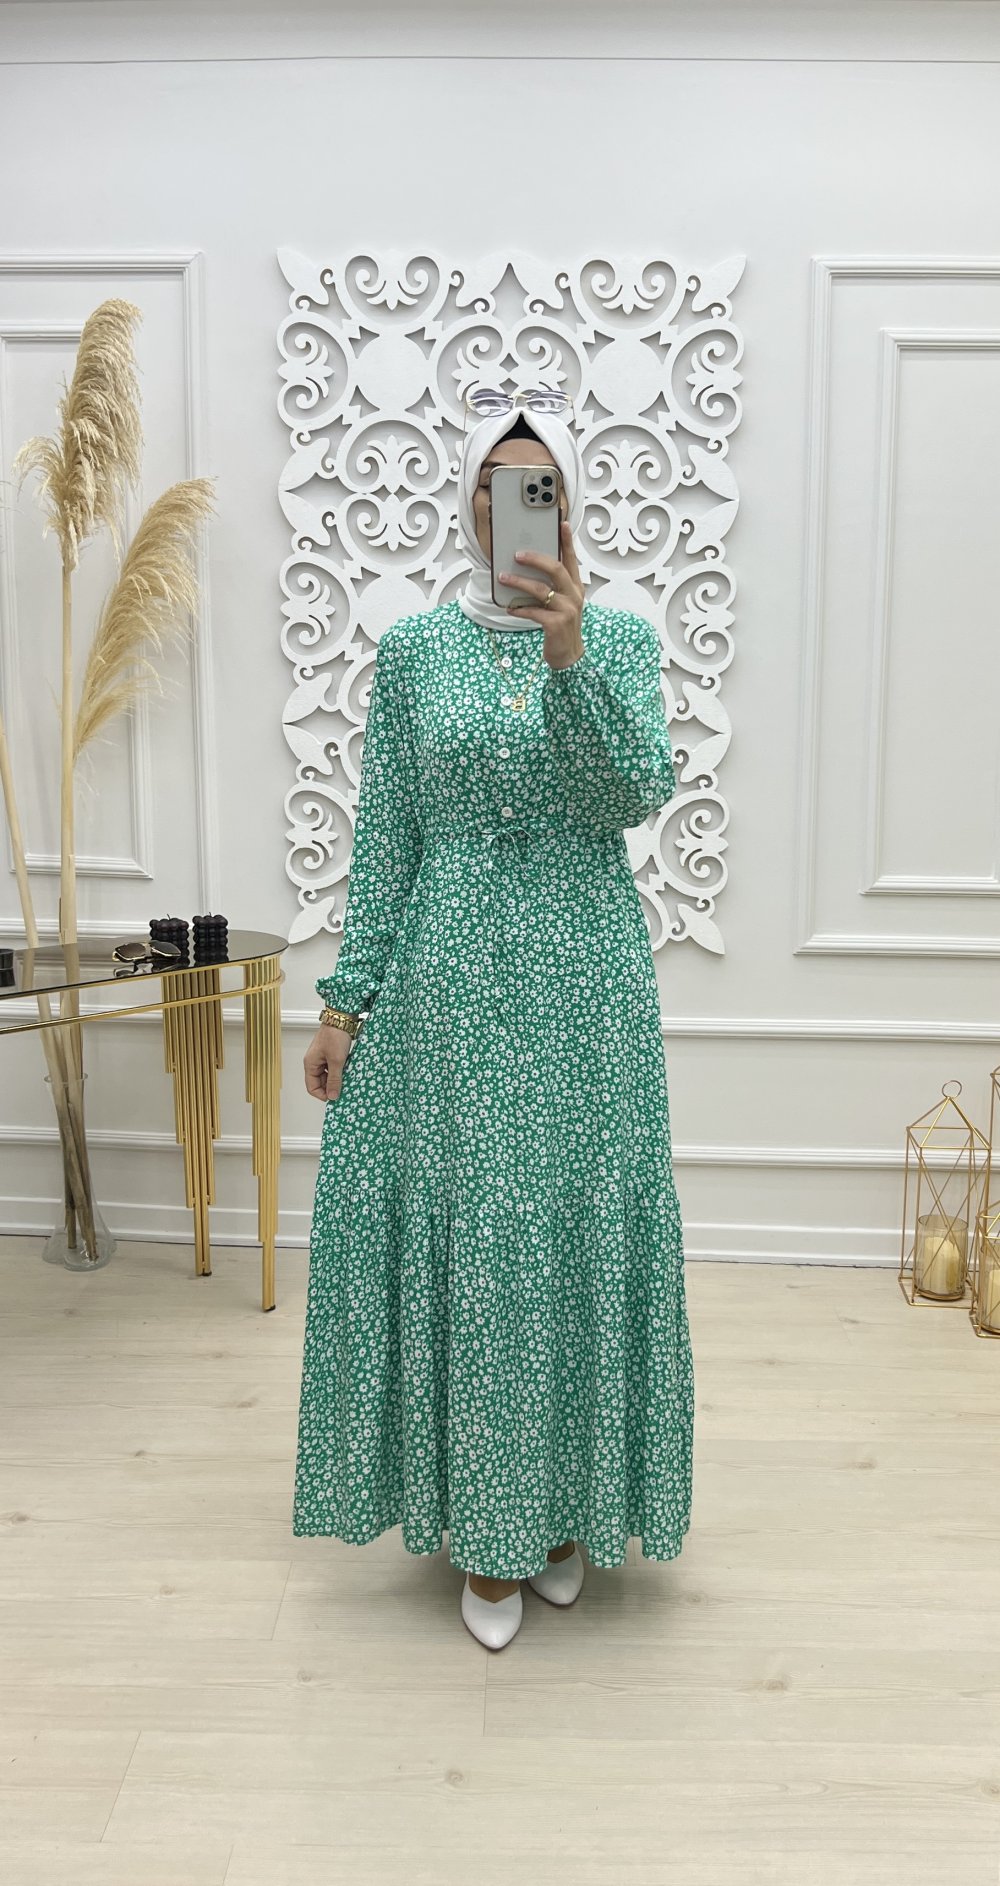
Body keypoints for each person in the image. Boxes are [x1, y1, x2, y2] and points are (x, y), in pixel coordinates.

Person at [294, 391, 695, 1651]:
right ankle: (484, 1521)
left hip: (585, 981)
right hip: (452, 983)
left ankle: (565, 1510)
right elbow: (388, 836)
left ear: (567, 506)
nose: (510, 503)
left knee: (568, 1234)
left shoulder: (616, 638)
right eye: (492, 483)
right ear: (466, 502)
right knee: (481, 1240)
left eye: (538, 485)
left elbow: (632, 790)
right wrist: (346, 1000)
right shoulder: (415, 649)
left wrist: (570, 655)